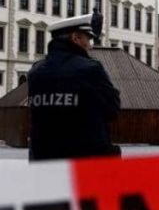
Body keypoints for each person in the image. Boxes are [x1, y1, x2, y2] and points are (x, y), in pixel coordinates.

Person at [28, 11, 121, 161]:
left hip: (43, 162)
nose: (90, 46)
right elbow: (112, 110)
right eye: (88, 39)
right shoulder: (90, 69)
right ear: (75, 38)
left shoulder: (35, 71)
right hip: (84, 162)